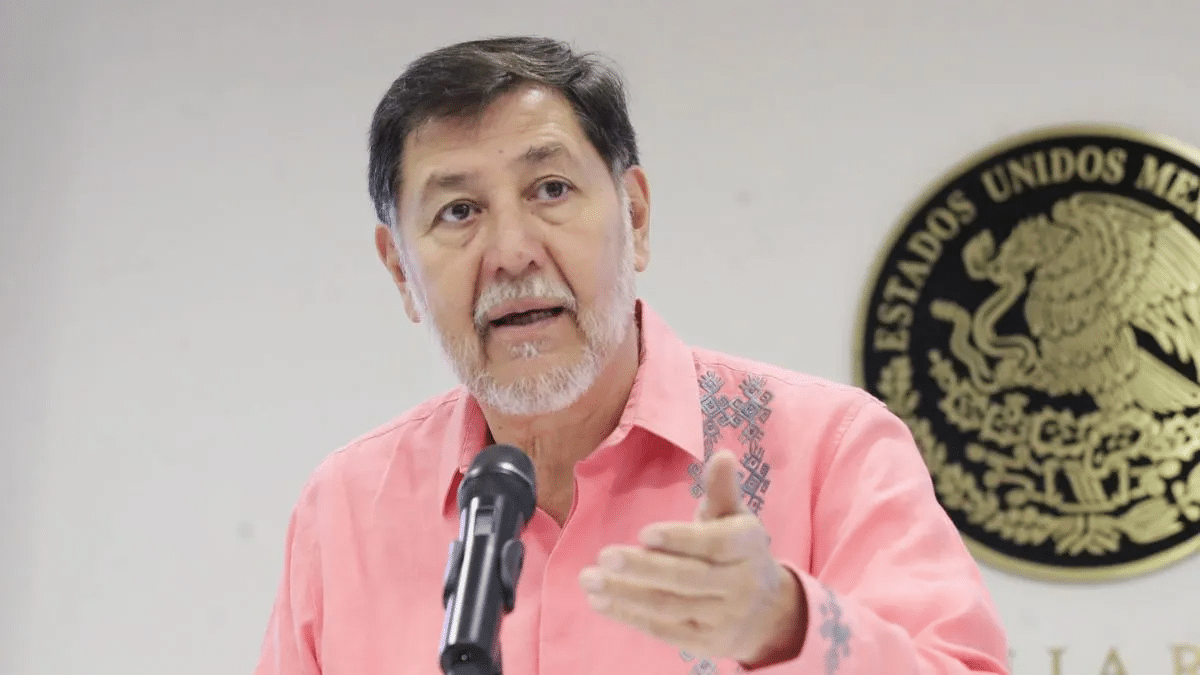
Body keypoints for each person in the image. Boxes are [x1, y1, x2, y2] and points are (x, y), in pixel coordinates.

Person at [252, 35, 1010, 675]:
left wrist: (788, 627)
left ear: (635, 217)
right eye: (459, 211)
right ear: (399, 270)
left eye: (550, 189)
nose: (512, 252)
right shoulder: (344, 509)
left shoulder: (830, 451)